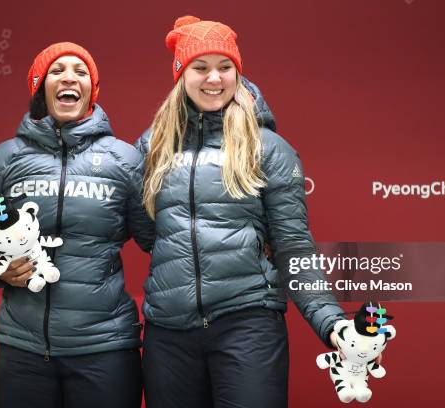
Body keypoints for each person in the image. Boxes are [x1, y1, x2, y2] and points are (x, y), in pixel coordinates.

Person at [135, 16, 346, 408]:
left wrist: (331, 322)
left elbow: (294, 248)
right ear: (181, 74)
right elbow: (150, 234)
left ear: (238, 71)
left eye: (225, 67)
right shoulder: (152, 146)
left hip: (247, 325)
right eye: (200, 67)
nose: (214, 78)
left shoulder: (268, 147)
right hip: (168, 333)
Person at [0, 42, 153, 408]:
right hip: (22, 350)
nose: (70, 78)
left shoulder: (125, 161)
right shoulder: (3, 161)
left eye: (81, 72)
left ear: (92, 90)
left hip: (105, 348)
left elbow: (158, 240)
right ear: (39, 86)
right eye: (57, 70)